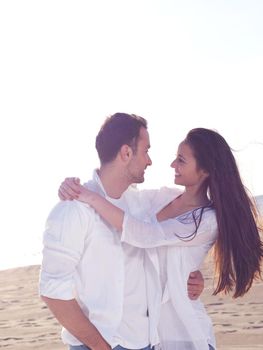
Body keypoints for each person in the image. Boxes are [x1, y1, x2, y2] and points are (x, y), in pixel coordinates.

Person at [59, 127, 263, 350]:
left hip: (185, 334)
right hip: (153, 335)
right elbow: (121, 200)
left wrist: (89, 197)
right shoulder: (163, 197)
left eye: (181, 160)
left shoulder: (207, 220)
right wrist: (75, 187)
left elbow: (145, 235)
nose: (173, 165)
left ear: (205, 170)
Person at [39, 113, 204, 350]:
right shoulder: (73, 210)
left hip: (148, 342)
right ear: (126, 153)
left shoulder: (143, 204)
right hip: (97, 345)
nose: (150, 161)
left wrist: (191, 276)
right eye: (146, 151)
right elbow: (52, 292)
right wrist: (101, 347)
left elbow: (193, 207)